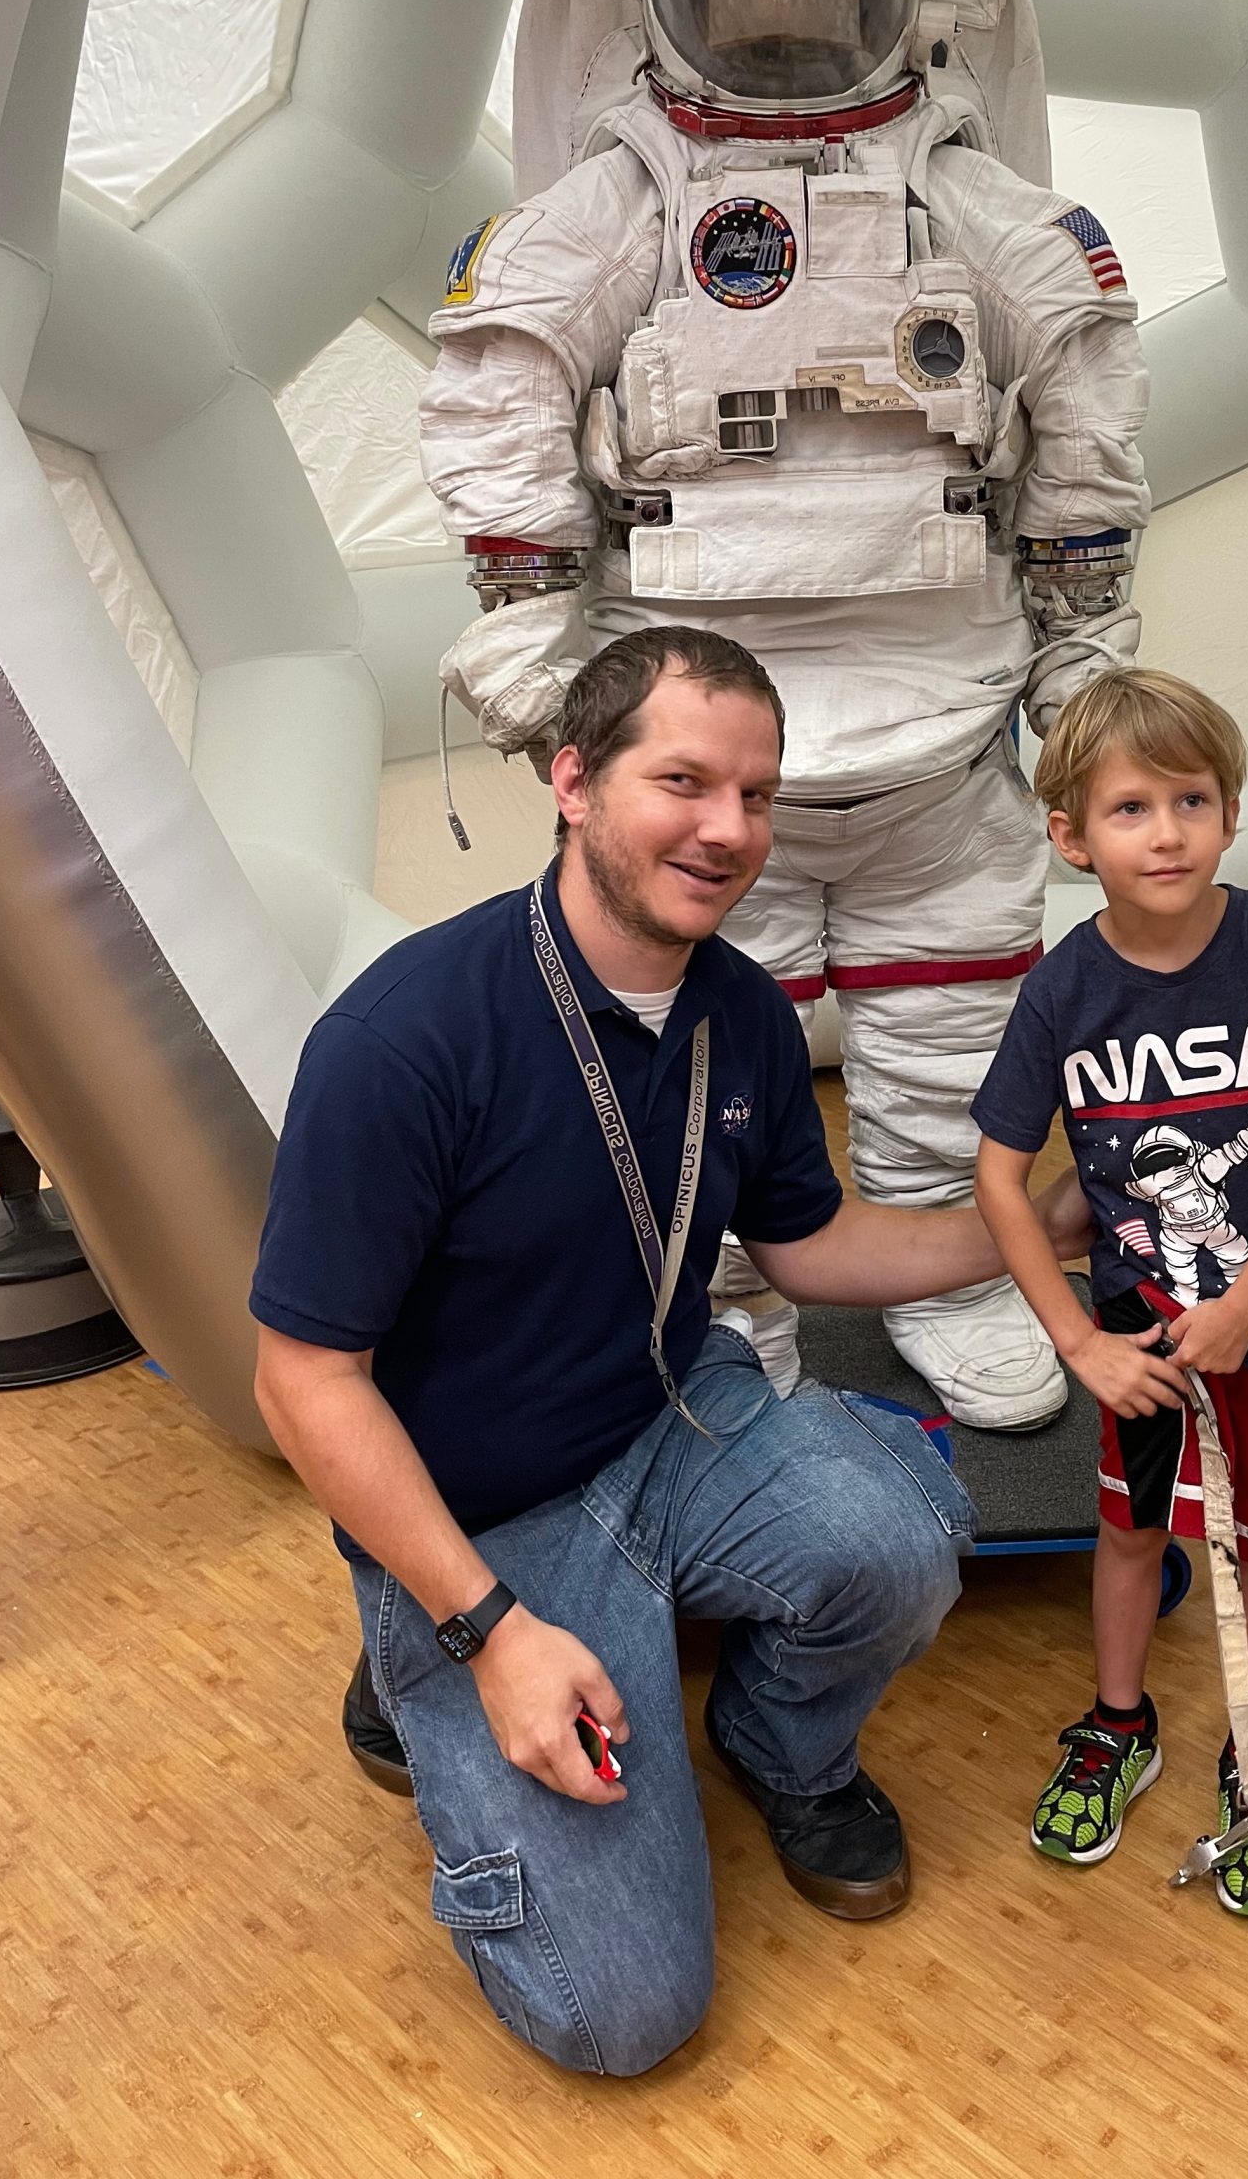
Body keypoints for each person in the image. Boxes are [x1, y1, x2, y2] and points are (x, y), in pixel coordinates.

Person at [423, 0, 1151, 1430]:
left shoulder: (979, 207)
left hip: (945, 725)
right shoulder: (619, 205)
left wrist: (1083, 651)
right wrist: (533, 631)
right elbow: (500, 375)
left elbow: (1089, 401)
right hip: (695, 747)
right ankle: (720, 1301)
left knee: (950, 1045)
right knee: (680, 1065)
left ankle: (957, 1285)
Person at [250, 628, 1091, 2075]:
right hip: (489, 1529)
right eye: (684, 781)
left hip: (669, 1425)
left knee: (905, 1532)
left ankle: (775, 1744)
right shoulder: (405, 1039)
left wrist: (1043, 1232)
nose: (729, 831)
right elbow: (300, 1379)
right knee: (619, 2016)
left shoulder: (742, 1016)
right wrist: (491, 1635)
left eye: (757, 796)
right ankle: (423, 1663)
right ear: (573, 781)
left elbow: (806, 1251)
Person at [971, 669, 1248, 1916]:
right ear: (1070, 835)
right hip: (1136, 1345)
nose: (1165, 831)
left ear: (1229, 811)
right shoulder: (1063, 989)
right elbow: (1002, 1179)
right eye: (1129, 808)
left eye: (1191, 798)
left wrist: (1240, 1307)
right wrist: (1078, 1343)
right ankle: (1121, 1722)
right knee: (1130, 1531)